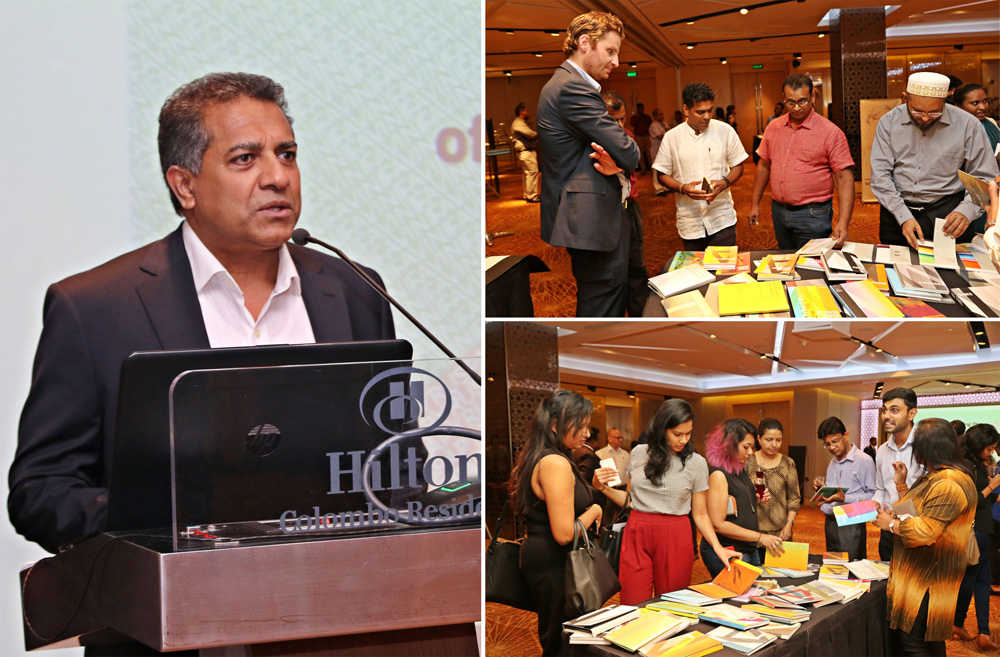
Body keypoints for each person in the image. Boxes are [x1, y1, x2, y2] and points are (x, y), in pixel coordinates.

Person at [8, 73, 395, 557]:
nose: (277, 177)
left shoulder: (355, 290)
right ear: (184, 185)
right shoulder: (95, 308)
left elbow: (397, 461)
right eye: (245, 158)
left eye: (287, 154)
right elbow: (43, 492)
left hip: (342, 585)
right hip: (178, 597)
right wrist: (174, 522)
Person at [537, 10, 641, 318]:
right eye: (610, 51)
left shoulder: (567, 84)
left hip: (595, 216)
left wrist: (618, 163)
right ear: (585, 43)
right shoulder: (572, 87)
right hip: (590, 220)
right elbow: (630, 152)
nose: (616, 61)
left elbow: (614, 151)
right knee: (602, 308)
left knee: (610, 296)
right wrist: (622, 160)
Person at [510, 390, 619, 656]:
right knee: (561, 641)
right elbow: (563, 533)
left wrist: (593, 488)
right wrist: (595, 510)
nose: (587, 433)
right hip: (554, 560)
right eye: (580, 425)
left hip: (548, 556)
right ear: (556, 424)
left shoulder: (543, 455)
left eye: (587, 426)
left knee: (562, 635)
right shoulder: (555, 462)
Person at [872, 418, 976, 656]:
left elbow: (925, 532)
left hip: (930, 576)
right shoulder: (937, 476)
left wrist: (890, 525)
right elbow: (916, 515)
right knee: (929, 639)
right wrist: (901, 486)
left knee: (913, 641)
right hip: (925, 571)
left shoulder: (948, 483)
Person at [619, 400, 740, 603]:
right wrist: (602, 488)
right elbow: (631, 495)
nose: (683, 440)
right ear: (661, 429)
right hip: (636, 531)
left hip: (674, 533)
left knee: (672, 602)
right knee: (632, 602)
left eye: (688, 433)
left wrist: (718, 547)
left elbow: (700, 514)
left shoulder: (696, 463)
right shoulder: (639, 452)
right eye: (677, 434)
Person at [870, 71, 999, 249]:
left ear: (945, 101)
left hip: (948, 213)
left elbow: (984, 176)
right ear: (905, 98)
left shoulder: (968, 125)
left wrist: (966, 211)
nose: (925, 117)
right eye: (917, 110)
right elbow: (880, 175)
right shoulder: (889, 122)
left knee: (952, 266)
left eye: (934, 112)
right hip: (896, 211)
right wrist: (902, 215)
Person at [749, 74, 856, 249]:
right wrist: (755, 203)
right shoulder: (773, 127)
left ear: (812, 96)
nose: (797, 108)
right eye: (791, 102)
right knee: (786, 258)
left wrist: (843, 222)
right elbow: (764, 165)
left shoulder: (831, 132)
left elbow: (844, 178)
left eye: (802, 101)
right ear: (784, 98)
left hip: (813, 214)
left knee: (810, 263)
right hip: (778, 211)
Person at [652, 83, 748, 251]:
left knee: (722, 266)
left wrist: (724, 182)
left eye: (710, 110)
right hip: (690, 221)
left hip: (722, 217)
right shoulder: (672, 137)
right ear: (686, 110)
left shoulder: (725, 131)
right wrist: (683, 188)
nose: (707, 116)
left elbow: (738, 165)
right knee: (696, 267)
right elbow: (662, 174)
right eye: (700, 112)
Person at [702, 418, 784, 577]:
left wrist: (755, 499)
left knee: (756, 588)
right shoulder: (718, 475)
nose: (750, 452)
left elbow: (735, 506)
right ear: (729, 446)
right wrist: (760, 537)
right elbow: (718, 524)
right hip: (730, 550)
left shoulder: (738, 470)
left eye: (752, 447)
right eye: (746, 447)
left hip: (747, 547)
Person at [953, 423, 1000, 650]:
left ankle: (981, 632)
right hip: (975, 531)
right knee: (970, 580)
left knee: (981, 581)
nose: (991, 452)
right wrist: (993, 486)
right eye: (989, 448)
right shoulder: (965, 466)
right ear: (978, 444)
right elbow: (969, 501)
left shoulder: (978, 464)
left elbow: (984, 500)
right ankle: (959, 624)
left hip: (983, 528)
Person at [602, 91, 648, 318]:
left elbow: (632, 163)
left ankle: (641, 317)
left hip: (631, 206)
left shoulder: (627, 136)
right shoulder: (594, 141)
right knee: (613, 272)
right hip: (609, 211)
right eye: (614, 120)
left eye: (623, 119)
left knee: (637, 266)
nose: (620, 125)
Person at [813, 416, 876, 561]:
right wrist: (824, 490)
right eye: (827, 444)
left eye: (835, 441)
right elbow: (835, 491)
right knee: (834, 566)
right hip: (831, 522)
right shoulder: (832, 462)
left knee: (852, 566)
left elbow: (873, 496)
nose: (832, 447)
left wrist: (845, 498)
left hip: (851, 522)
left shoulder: (864, 460)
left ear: (846, 435)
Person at [872, 388, 924, 562]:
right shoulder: (882, 450)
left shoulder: (924, 446)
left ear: (912, 413)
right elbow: (880, 488)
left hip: (917, 528)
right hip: (888, 529)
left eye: (894, 410)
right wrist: (875, 502)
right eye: (884, 410)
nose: (886, 416)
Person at [746, 418, 800, 563]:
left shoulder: (788, 463)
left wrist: (789, 524)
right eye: (769, 439)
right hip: (754, 533)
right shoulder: (748, 462)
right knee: (756, 573)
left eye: (778, 440)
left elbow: (794, 498)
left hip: (781, 532)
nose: (774, 445)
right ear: (759, 438)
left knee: (781, 572)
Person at [953, 83, 999, 233]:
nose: (982, 107)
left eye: (985, 101)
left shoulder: (991, 123)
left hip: (993, 188)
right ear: (958, 106)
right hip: (967, 193)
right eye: (975, 103)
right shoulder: (954, 130)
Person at [511, 102, 540, 202]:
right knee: (532, 173)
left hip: (525, 152)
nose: (529, 113)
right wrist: (539, 133)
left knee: (528, 174)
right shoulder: (518, 123)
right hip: (526, 152)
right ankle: (531, 196)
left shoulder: (520, 123)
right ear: (522, 112)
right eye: (527, 111)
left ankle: (528, 194)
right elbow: (530, 134)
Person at [649, 109, 668, 195]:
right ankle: (658, 189)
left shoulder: (663, 124)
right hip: (656, 151)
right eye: (660, 115)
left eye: (662, 114)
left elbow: (670, 132)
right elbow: (660, 136)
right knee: (656, 171)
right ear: (655, 116)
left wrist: (666, 127)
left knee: (664, 169)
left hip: (663, 151)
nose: (662, 116)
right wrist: (668, 133)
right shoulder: (653, 125)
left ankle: (665, 187)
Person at [630, 102, 653, 173]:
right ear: (637, 109)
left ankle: (652, 168)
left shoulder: (647, 117)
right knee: (640, 153)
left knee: (649, 153)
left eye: (642, 108)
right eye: (639, 109)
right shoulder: (634, 117)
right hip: (638, 136)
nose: (641, 110)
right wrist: (637, 116)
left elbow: (650, 126)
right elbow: (632, 124)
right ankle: (643, 168)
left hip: (647, 136)